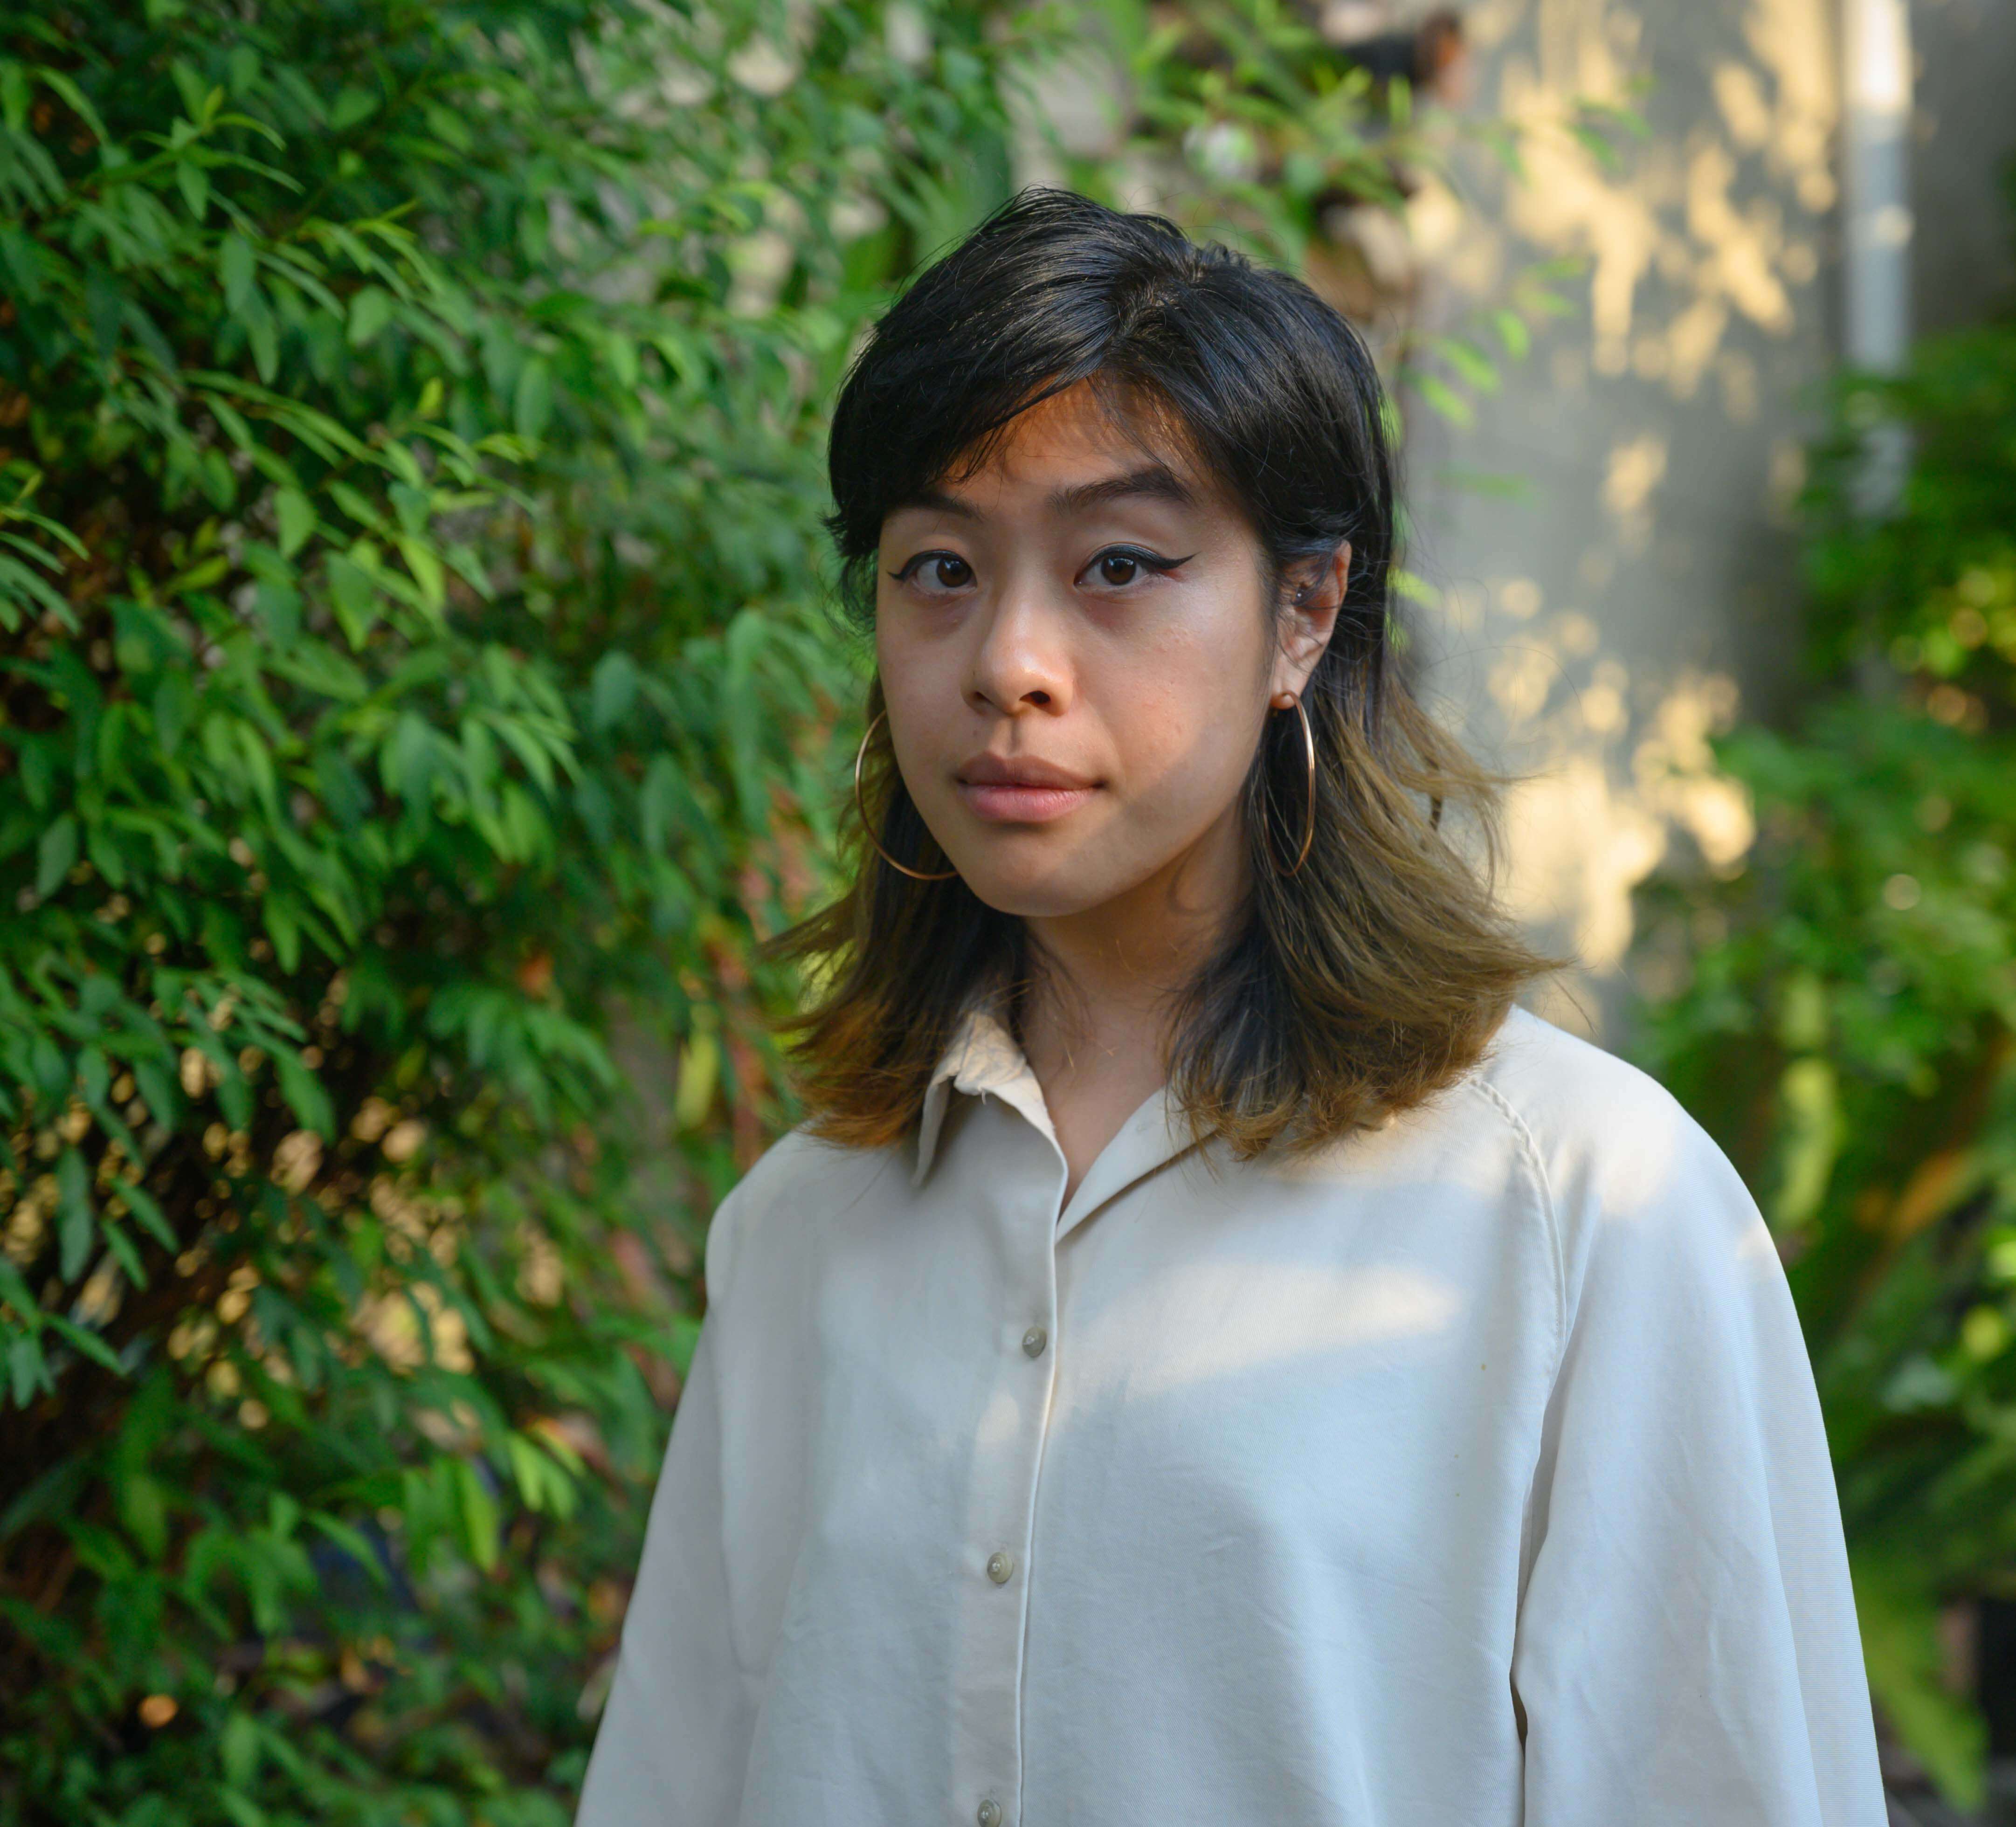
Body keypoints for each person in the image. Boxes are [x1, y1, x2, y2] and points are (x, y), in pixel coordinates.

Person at [575, 189, 1885, 1827]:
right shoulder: (804, 1228)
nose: (1010, 662)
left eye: (1121, 564)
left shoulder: (1584, 1211)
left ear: (1305, 612)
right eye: (938, 571)